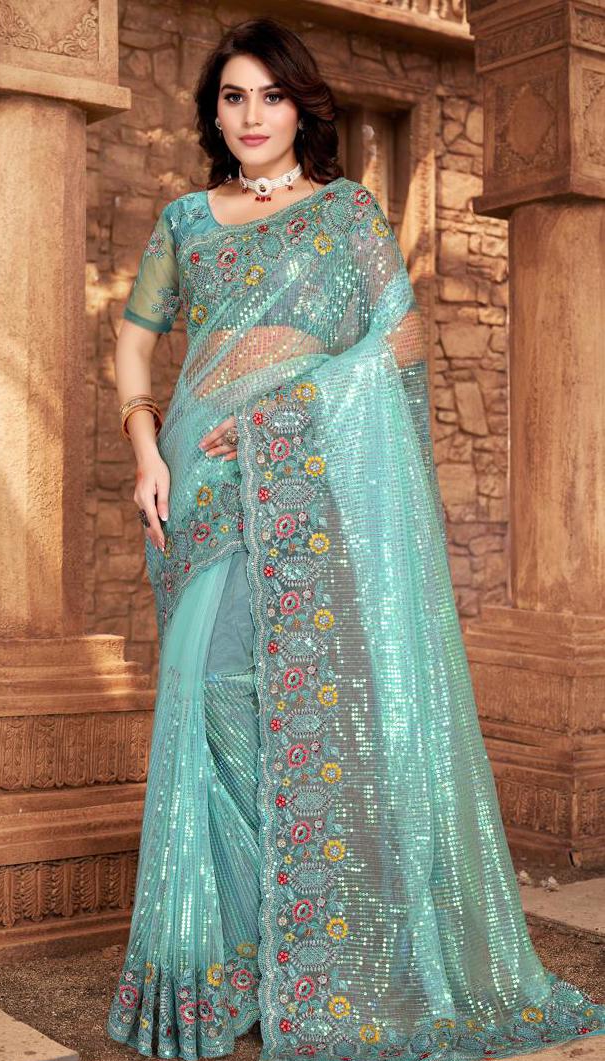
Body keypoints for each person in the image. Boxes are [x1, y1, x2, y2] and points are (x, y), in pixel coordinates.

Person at [106, 16, 605, 1061]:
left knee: (292, 698)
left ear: (302, 109)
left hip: (308, 480)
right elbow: (136, 334)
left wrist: (287, 415)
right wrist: (146, 444)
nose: (251, 115)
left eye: (270, 96)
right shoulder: (186, 221)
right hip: (196, 482)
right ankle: (223, 957)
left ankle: (303, 952)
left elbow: (400, 338)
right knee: (204, 694)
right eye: (232, 97)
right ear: (213, 113)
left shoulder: (345, 214)